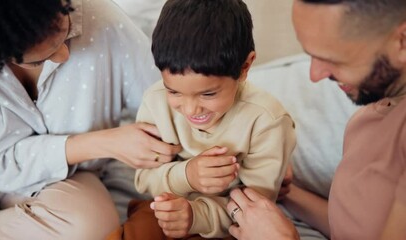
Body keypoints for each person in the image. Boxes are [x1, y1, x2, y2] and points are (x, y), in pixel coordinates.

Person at [0, 0, 182, 239]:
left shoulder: (101, 20)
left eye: (66, 32)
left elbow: (170, 100)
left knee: (90, 224)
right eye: (39, 60)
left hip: (65, 181)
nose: (64, 55)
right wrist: (106, 143)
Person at [107, 0, 296, 239]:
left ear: (245, 66)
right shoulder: (155, 101)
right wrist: (187, 175)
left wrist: (196, 216)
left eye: (208, 94)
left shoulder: (267, 121)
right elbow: (144, 180)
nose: (189, 109)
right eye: (174, 91)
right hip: (165, 211)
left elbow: (255, 212)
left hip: (227, 225)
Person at [227, 0, 406, 239]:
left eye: (333, 58)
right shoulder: (368, 119)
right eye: (310, 55)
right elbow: (353, 228)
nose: (314, 75)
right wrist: (284, 191)